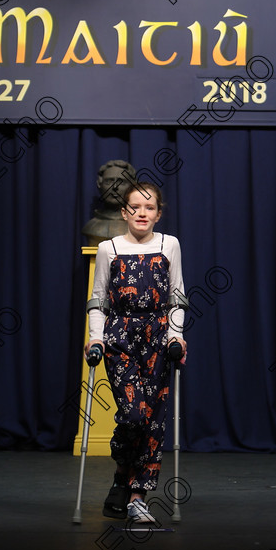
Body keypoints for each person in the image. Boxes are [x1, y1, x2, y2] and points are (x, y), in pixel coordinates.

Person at [84, 181, 187, 523]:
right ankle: (121, 473)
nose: (142, 213)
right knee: (133, 414)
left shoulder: (169, 245)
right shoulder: (108, 248)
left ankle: (137, 495)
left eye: (149, 207)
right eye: (135, 207)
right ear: (124, 211)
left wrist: (177, 336)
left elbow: (177, 297)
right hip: (120, 337)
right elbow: (98, 300)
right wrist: (96, 337)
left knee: (155, 419)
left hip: (158, 338)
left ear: (159, 213)